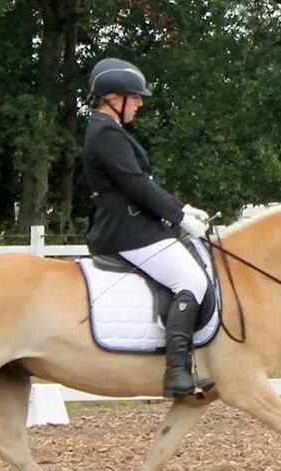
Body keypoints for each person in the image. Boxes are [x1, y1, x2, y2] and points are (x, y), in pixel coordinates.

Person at [82, 57, 215, 398]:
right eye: (135, 97)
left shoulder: (111, 132)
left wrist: (181, 209)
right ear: (114, 97)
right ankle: (177, 371)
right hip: (128, 231)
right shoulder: (105, 134)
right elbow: (136, 185)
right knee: (192, 280)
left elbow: (142, 184)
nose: (140, 103)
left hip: (135, 226)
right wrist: (179, 217)